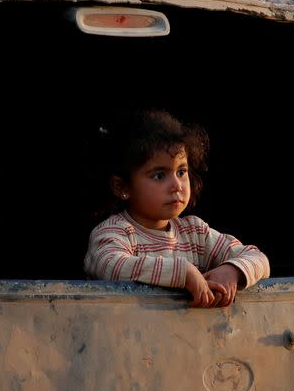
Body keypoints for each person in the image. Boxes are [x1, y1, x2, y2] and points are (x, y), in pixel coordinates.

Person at [83, 109, 269, 308]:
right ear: (122, 187)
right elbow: (111, 266)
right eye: (159, 176)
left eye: (181, 171)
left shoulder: (196, 233)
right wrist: (184, 273)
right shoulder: (113, 232)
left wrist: (233, 271)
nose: (177, 185)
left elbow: (259, 258)